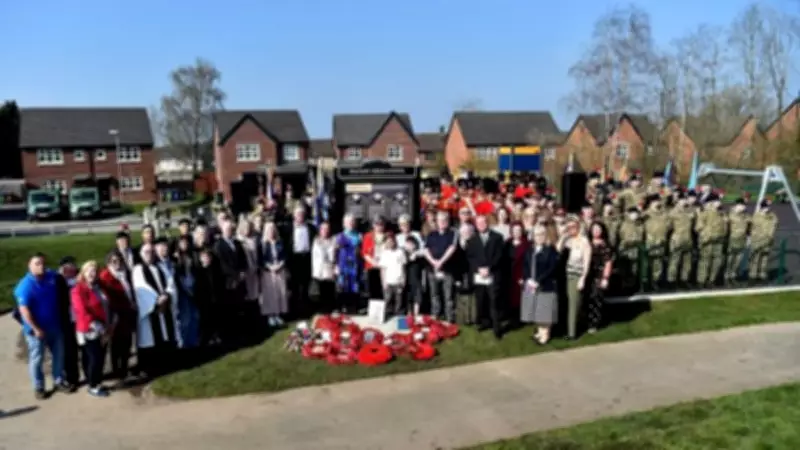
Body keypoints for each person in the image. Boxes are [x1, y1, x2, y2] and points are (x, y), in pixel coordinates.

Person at [15, 253, 73, 399]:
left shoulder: (50, 277)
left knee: (58, 355)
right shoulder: (25, 285)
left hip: (54, 325)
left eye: (42, 263)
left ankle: (58, 380)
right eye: (37, 264)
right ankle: (39, 386)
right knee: (37, 359)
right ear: (29, 265)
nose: (41, 266)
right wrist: (35, 328)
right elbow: (24, 310)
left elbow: (63, 274)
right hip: (37, 331)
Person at [132, 243, 178, 378]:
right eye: (146, 252)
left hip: (164, 308)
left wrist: (167, 296)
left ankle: (167, 364)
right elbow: (141, 287)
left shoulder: (161, 267)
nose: (149, 254)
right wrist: (157, 301)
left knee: (166, 335)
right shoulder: (138, 269)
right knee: (149, 339)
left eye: (152, 252)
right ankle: (149, 368)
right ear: (141, 254)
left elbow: (171, 284)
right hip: (150, 311)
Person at [71, 260, 113, 397]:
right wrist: (95, 325)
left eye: (94, 271)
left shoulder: (98, 287)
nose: (92, 273)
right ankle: (93, 386)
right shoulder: (77, 290)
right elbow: (81, 310)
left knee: (100, 357)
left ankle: (97, 381)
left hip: (103, 327)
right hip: (89, 330)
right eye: (89, 270)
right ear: (83, 273)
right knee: (94, 357)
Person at [464, 215, 505, 339]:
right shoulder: (472, 240)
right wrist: (478, 269)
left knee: (494, 300)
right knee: (481, 300)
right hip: (479, 275)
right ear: (476, 225)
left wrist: (489, 268)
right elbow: (470, 257)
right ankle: (484, 322)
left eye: (483, 222)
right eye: (478, 223)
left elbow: (500, 255)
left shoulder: (497, 237)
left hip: (493, 273)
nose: (481, 225)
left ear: (487, 223)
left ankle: (497, 327)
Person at [98, 252, 137, 385]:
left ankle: (124, 369)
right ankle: (118, 371)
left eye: (119, 260)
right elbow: (109, 298)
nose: (117, 263)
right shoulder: (105, 276)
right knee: (116, 345)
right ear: (108, 263)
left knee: (127, 343)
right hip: (115, 315)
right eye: (113, 261)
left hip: (127, 313)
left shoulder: (124, 274)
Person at [520, 225, 559, 344]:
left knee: (544, 311)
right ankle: (540, 332)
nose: (539, 237)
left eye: (542, 234)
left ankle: (545, 335)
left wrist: (539, 280)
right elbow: (525, 266)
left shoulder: (550, 250)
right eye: (537, 235)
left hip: (545, 285)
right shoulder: (530, 250)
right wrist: (527, 278)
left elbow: (552, 268)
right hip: (531, 285)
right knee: (535, 309)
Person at [558, 215, 592, 340]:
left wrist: (583, 278)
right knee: (566, 303)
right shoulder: (568, 240)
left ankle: (572, 333)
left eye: (574, 226)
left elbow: (586, 261)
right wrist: (563, 236)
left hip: (576, 275)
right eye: (569, 227)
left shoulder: (584, 241)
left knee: (574, 304)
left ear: (578, 226)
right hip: (565, 275)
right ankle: (567, 327)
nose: (572, 229)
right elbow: (557, 250)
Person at [213, 219, 247, 341]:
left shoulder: (237, 243)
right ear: (222, 230)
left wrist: (243, 271)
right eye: (227, 229)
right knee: (230, 307)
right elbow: (222, 264)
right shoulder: (218, 245)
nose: (229, 231)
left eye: (231, 229)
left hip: (240, 279)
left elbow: (243, 259)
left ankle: (242, 331)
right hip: (228, 281)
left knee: (240, 305)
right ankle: (232, 334)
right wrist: (235, 275)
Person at [425, 211, 458, 322]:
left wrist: (441, 262)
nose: (442, 222)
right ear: (437, 222)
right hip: (432, 269)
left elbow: (452, 248)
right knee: (434, 294)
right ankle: (436, 315)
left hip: (447, 269)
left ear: (448, 221)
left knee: (448, 296)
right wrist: (433, 262)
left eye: (445, 220)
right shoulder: (431, 234)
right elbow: (426, 249)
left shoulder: (452, 233)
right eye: (440, 220)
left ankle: (449, 318)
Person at [284, 206, 316, 318]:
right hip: (294, 260)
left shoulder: (311, 227)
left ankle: (306, 311)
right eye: (298, 214)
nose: (300, 216)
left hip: (307, 259)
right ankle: (294, 312)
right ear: (294, 216)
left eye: (302, 214)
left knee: (306, 286)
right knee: (294, 287)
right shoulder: (287, 228)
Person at [56, 256, 80, 390]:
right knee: (69, 351)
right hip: (67, 320)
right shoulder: (58, 281)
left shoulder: (79, 279)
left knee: (83, 349)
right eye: (66, 267)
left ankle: (88, 374)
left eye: (72, 266)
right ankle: (71, 378)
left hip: (80, 319)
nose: (69, 269)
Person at [260, 221, 288, 326]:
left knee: (280, 292)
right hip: (268, 272)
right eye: (269, 230)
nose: (271, 232)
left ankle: (278, 314)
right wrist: (270, 267)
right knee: (270, 295)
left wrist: (280, 265)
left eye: (272, 229)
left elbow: (284, 256)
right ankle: (270, 315)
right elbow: (261, 259)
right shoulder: (263, 243)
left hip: (280, 270)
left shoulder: (280, 242)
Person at [194, 247, 224, 346]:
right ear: (200, 258)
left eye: (208, 257)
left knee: (216, 318)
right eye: (204, 257)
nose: (206, 259)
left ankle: (217, 336)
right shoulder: (198, 271)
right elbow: (197, 288)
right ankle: (209, 337)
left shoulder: (215, 269)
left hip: (216, 298)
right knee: (206, 320)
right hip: (205, 300)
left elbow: (220, 283)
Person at [586, 221, 613, 334]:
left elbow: (608, 262)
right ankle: (586, 321)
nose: (596, 231)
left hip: (599, 275)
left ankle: (594, 323)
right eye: (594, 229)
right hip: (587, 274)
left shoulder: (605, 245)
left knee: (596, 298)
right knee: (586, 299)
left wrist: (605, 278)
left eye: (598, 229)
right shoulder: (587, 243)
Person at [174, 236, 200, 349]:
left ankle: (193, 342)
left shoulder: (192, 255)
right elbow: (177, 276)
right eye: (182, 242)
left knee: (195, 316)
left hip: (194, 289)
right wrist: (186, 289)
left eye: (186, 242)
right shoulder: (176, 258)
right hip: (183, 291)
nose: (184, 244)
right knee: (185, 318)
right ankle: (183, 344)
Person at [335, 214, 363, 312]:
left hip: (355, 265)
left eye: (352, 221)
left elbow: (361, 252)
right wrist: (336, 265)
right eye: (348, 222)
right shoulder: (339, 236)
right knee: (343, 285)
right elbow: (336, 252)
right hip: (343, 264)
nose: (350, 224)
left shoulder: (359, 236)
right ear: (344, 224)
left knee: (355, 285)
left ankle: (354, 307)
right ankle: (343, 306)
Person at [505, 222, 530, 325]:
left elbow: (529, 261)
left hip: (521, 274)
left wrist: (524, 276)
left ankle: (523, 318)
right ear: (511, 231)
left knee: (522, 296)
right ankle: (511, 316)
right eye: (514, 230)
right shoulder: (507, 243)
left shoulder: (527, 244)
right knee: (510, 296)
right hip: (510, 273)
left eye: (519, 230)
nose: (517, 232)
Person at [379, 233, 407, 315]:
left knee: (400, 301)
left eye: (391, 241)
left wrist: (403, 280)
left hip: (398, 281)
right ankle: (388, 319)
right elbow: (383, 269)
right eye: (388, 242)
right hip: (388, 281)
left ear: (395, 242)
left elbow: (403, 267)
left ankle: (400, 323)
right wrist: (383, 282)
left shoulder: (400, 252)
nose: (390, 243)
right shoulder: (384, 253)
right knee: (388, 300)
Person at [311, 221, 337, 312]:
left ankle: (330, 309)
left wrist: (335, 267)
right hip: (320, 270)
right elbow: (315, 257)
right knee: (322, 291)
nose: (325, 231)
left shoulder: (333, 240)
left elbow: (336, 255)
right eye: (323, 229)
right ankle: (323, 310)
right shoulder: (316, 241)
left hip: (330, 268)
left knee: (330, 290)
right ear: (320, 230)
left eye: (327, 229)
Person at [362, 216, 388, 299]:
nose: (379, 226)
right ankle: (374, 308)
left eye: (381, 224)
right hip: (372, 265)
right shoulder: (368, 236)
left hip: (385, 266)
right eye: (377, 224)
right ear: (373, 225)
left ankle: (386, 307)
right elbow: (364, 252)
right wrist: (374, 262)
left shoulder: (389, 235)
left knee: (385, 288)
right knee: (373, 288)